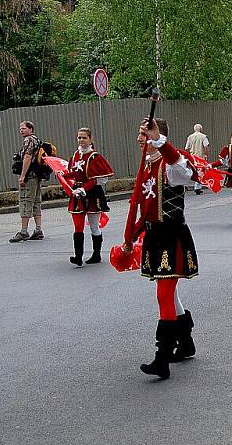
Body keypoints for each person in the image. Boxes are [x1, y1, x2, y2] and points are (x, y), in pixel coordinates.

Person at [126, 118, 201, 380]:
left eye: (143, 134)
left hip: (172, 236)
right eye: (140, 133)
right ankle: (186, 343)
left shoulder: (170, 166)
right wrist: (131, 237)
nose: (139, 138)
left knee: (164, 295)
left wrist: (159, 141)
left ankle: (162, 358)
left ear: (158, 137)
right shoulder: (147, 165)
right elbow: (146, 208)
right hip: (155, 235)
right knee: (170, 293)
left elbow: (188, 172)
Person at [63, 127, 114, 266]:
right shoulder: (75, 156)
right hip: (77, 193)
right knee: (78, 226)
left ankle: (96, 254)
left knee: (93, 226)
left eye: (84, 137)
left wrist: (83, 189)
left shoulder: (95, 157)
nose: (81, 140)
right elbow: (75, 173)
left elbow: (96, 179)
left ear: (90, 139)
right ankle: (78, 256)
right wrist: (63, 175)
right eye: (79, 137)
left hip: (92, 194)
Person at [9, 121, 45, 243]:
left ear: (30, 129)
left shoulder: (28, 140)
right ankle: (38, 230)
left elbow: (28, 157)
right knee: (36, 201)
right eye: (20, 128)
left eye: (23, 128)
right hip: (37, 176)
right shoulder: (37, 140)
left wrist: (22, 176)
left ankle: (24, 231)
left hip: (29, 176)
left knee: (25, 201)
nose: (21, 130)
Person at [185, 123, 210, 194]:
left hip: (192, 156)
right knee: (200, 171)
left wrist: (187, 156)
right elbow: (206, 146)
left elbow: (186, 148)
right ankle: (197, 187)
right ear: (201, 129)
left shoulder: (190, 137)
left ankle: (196, 186)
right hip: (200, 157)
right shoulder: (203, 137)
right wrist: (206, 154)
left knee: (194, 171)